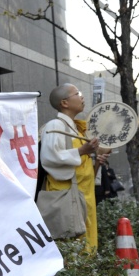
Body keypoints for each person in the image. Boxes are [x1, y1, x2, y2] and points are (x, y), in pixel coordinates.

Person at [40, 84, 101, 249]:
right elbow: (49, 157)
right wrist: (81, 150)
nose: (82, 97)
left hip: (83, 193)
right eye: (78, 94)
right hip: (68, 193)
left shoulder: (76, 128)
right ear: (64, 103)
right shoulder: (55, 126)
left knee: (87, 242)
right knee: (74, 244)